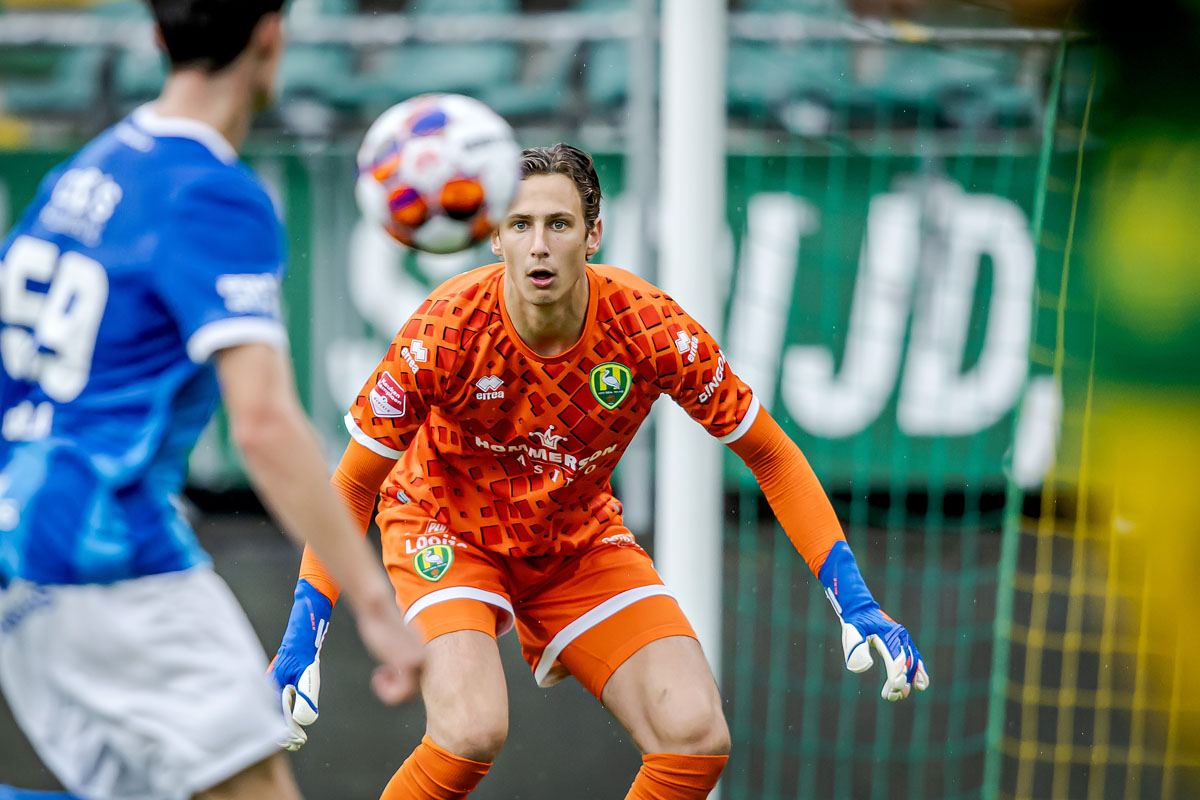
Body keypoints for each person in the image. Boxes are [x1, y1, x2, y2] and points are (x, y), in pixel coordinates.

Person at [269, 143, 930, 800]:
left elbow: (773, 456)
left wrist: (855, 598)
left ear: (593, 235)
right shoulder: (444, 332)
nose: (538, 246)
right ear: (494, 235)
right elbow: (355, 484)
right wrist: (306, 627)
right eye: (521, 225)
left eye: (558, 224)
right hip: (445, 528)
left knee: (696, 734)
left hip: (572, 536)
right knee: (472, 729)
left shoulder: (650, 330)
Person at [0, 2, 425, 799]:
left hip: (24, 561)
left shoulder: (85, 172)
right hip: (115, 560)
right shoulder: (214, 195)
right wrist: (374, 602)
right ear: (272, 34)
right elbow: (262, 425)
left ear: (158, 38)